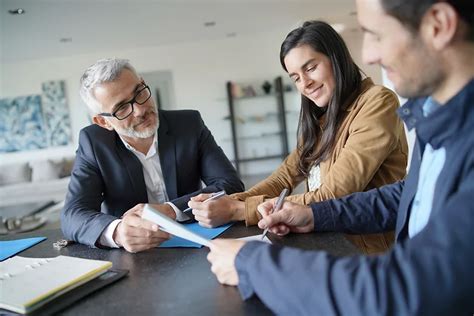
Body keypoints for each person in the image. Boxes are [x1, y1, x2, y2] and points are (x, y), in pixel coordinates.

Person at [207, 0, 474, 314]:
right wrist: (312, 214)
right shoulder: (435, 116)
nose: (368, 55)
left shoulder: (383, 103)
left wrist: (250, 260)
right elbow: (405, 195)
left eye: (376, 35)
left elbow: (403, 288)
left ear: (438, 25)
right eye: (295, 76)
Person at [189, 20, 408, 254]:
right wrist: (227, 201)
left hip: (369, 254)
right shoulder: (323, 119)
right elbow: (282, 179)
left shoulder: (377, 102)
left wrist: (237, 210)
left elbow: (332, 196)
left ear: (337, 59)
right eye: (295, 77)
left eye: (311, 68)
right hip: (326, 242)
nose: (305, 83)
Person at [61, 58, 244, 253]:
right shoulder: (93, 143)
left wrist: (170, 210)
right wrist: (117, 232)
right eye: (122, 108)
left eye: (139, 92)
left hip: (199, 243)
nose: (140, 110)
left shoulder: (189, 124)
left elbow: (229, 184)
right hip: (135, 257)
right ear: (103, 122)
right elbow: (73, 215)